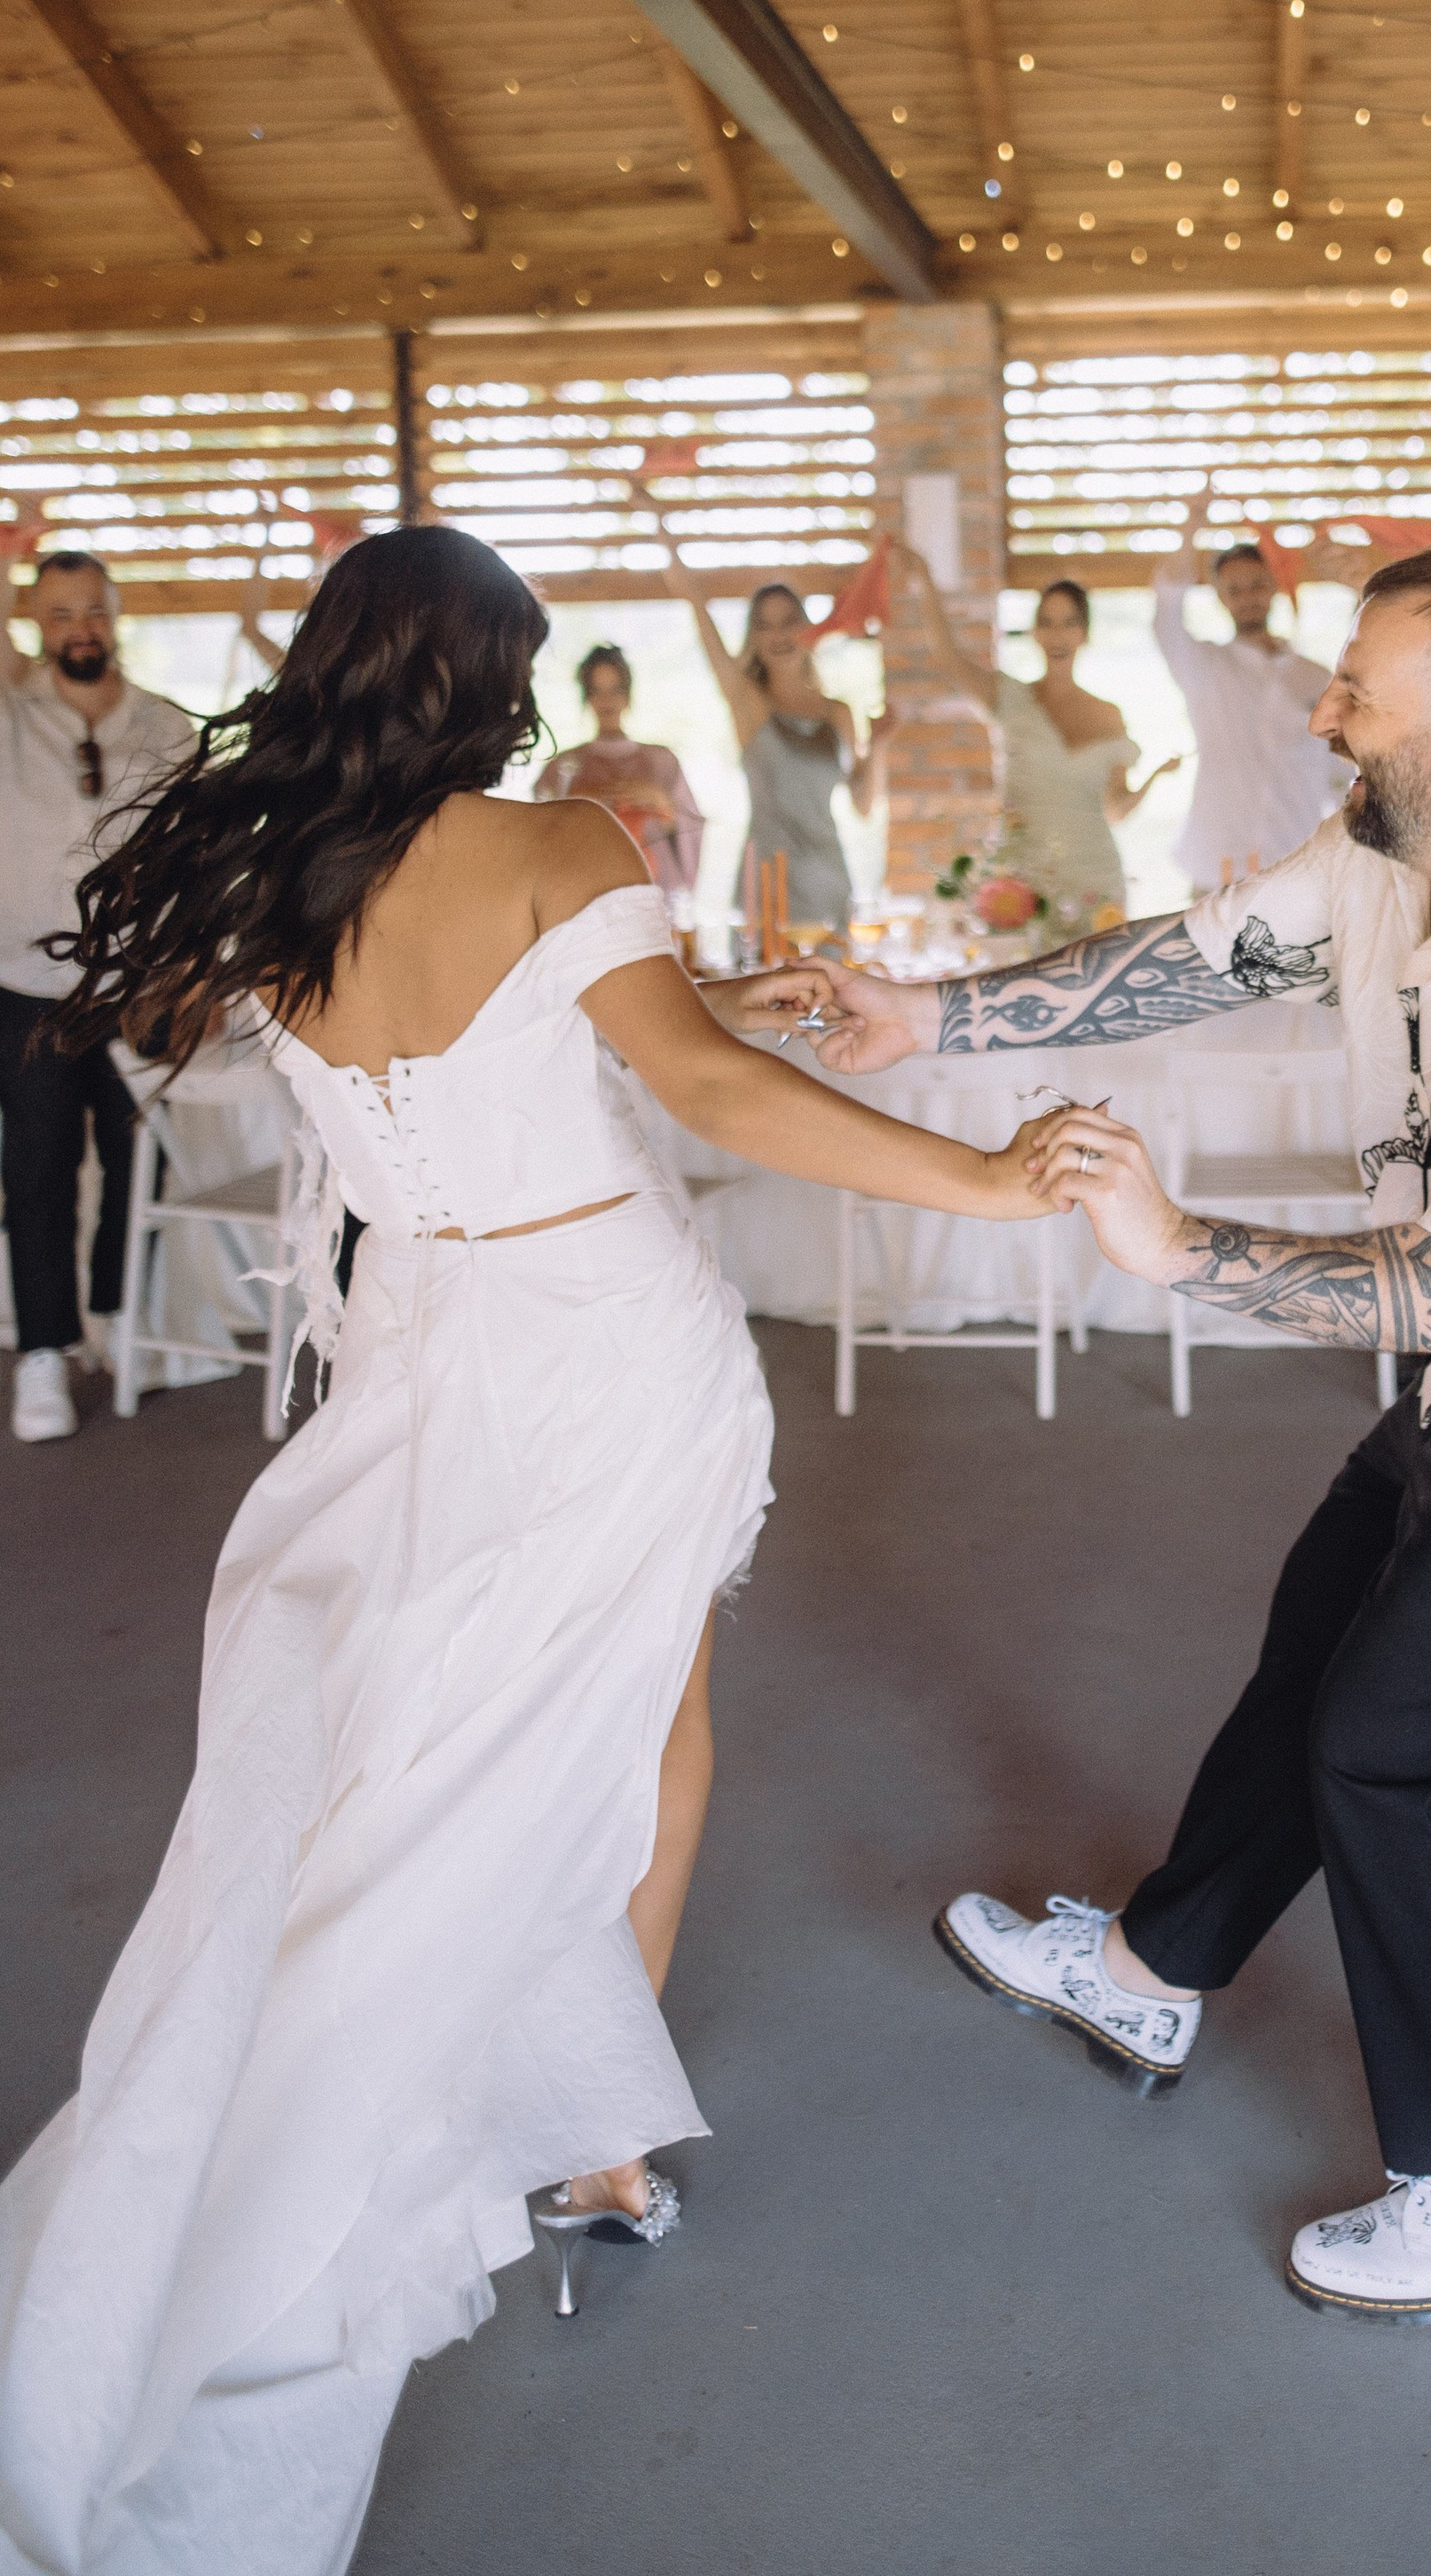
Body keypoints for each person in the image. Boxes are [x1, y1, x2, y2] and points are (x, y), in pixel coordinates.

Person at [0, 527, 1052, 2576]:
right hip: (595, 1350)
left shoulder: (277, 871)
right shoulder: (559, 834)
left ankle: (506, 2104)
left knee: (421, 1749)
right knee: (640, 1724)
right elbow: (705, 1084)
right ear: (489, 678)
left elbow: (526, 1041)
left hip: (415, 1354)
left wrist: (720, 983)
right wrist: (990, 1181)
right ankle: (588, 2147)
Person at [764, 546, 1431, 2325]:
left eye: (1353, 693)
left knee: (1396, 1752)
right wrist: (920, 1019)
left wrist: (1176, 1250)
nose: (1318, 712)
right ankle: (1153, 1972)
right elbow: (1197, 954)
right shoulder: (1409, 841)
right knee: (1321, 1630)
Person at [0, 549, 194, 1444]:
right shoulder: (10, 711)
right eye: (62, 612)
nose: (81, 627)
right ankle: (44, 1348)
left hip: (135, 982)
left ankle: (121, 1317)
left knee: (138, 1160)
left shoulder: (164, 726)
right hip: (25, 983)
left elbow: (193, 855)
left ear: (116, 618)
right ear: (40, 622)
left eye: (94, 611)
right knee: (37, 1168)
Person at [899, 546, 1181, 923]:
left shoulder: (1108, 716)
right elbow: (949, 658)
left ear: (1084, 633)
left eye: (1068, 623)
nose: (1057, 635)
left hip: (1095, 881)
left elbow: (1115, 810)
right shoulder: (1009, 698)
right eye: (1047, 622)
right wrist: (923, 580)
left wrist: (1155, 778)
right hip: (1022, 885)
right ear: (1034, 632)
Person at [671, 560, 888, 932]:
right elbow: (699, 611)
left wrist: (879, 744)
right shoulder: (748, 704)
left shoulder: (839, 712)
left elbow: (863, 806)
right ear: (753, 637)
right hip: (767, 886)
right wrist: (663, 530)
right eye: (764, 625)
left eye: (789, 620)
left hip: (829, 884)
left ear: (808, 628)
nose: (779, 634)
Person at [1152, 491, 1341, 886]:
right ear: (1220, 596)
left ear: (1273, 584)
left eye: (1255, 584)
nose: (1247, 598)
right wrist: (1192, 527)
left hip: (1297, 868)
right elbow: (1167, 610)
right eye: (1233, 589)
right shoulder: (1203, 666)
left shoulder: (1317, 677)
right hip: (1215, 869)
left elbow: (1340, 774)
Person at [534, 641, 704, 896]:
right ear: (586, 696)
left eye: (615, 690)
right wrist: (577, 803)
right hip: (585, 899)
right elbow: (539, 836)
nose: (606, 701)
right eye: (596, 691)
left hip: (652, 895)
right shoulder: (562, 767)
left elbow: (691, 833)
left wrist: (661, 802)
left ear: (627, 694)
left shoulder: (662, 762)